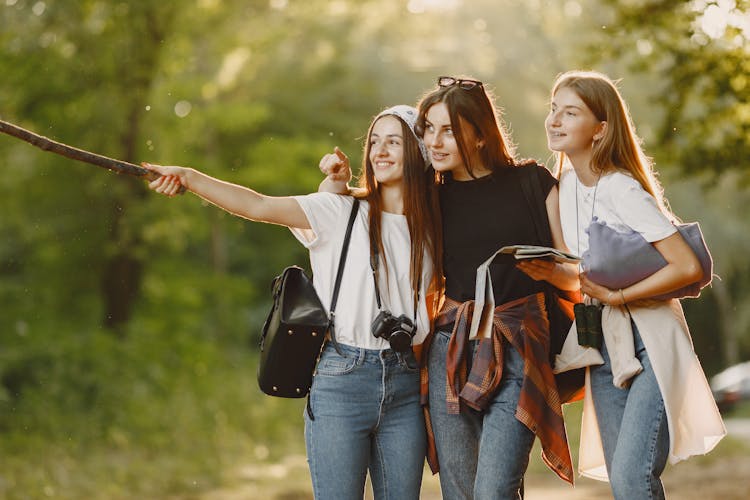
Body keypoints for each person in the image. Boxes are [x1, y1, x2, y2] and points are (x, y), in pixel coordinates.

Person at [143, 105, 442, 500]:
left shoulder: (435, 226)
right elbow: (256, 205)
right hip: (342, 379)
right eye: (374, 141)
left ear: (419, 151)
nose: (379, 151)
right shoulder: (340, 211)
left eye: (394, 142)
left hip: (405, 382)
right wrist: (189, 177)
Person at [320, 77, 580, 500]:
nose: (434, 142)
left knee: (494, 490)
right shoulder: (429, 199)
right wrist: (334, 183)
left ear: (480, 134)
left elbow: (574, 272)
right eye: (428, 129)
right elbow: (362, 213)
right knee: (459, 493)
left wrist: (550, 273)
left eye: (448, 130)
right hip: (450, 352)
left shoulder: (533, 182)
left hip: (519, 346)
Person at [543, 70, 726, 499]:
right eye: (554, 109)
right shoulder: (564, 187)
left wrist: (618, 296)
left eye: (570, 112)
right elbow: (578, 274)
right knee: (625, 478)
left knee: (631, 477)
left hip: (652, 341)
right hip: (604, 343)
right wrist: (546, 272)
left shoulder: (621, 189)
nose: (555, 120)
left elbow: (685, 265)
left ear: (601, 129)